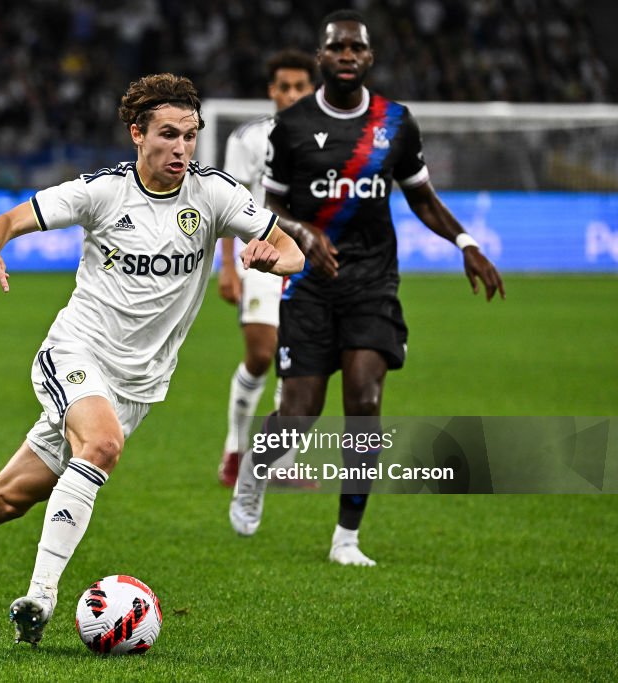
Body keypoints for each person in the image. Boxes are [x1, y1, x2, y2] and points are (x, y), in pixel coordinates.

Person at [0, 73, 308, 644]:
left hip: (138, 385)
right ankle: (40, 598)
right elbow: (6, 221)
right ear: (136, 134)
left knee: (7, 498)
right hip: (75, 350)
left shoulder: (215, 194)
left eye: (190, 136)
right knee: (100, 444)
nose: (182, 149)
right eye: (168, 135)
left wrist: (276, 258)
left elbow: (291, 249)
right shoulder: (102, 192)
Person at [229, 10, 505, 566]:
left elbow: (422, 198)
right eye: (338, 48)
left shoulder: (396, 124)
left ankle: (347, 538)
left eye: (358, 47)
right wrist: (304, 234)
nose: (348, 55)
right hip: (307, 283)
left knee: (366, 401)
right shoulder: (292, 127)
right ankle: (256, 470)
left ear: (370, 57)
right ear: (322, 57)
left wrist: (467, 243)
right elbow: (270, 204)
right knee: (300, 413)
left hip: (373, 283)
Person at [217, 49, 316, 488]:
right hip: (261, 257)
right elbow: (228, 206)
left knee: (297, 361)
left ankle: (279, 462)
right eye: (285, 86)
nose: (292, 94)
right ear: (271, 90)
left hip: (311, 261)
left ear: (312, 89)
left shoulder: (335, 138)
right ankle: (235, 451)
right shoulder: (247, 139)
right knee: (261, 355)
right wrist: (227, 268)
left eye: (300, 86)